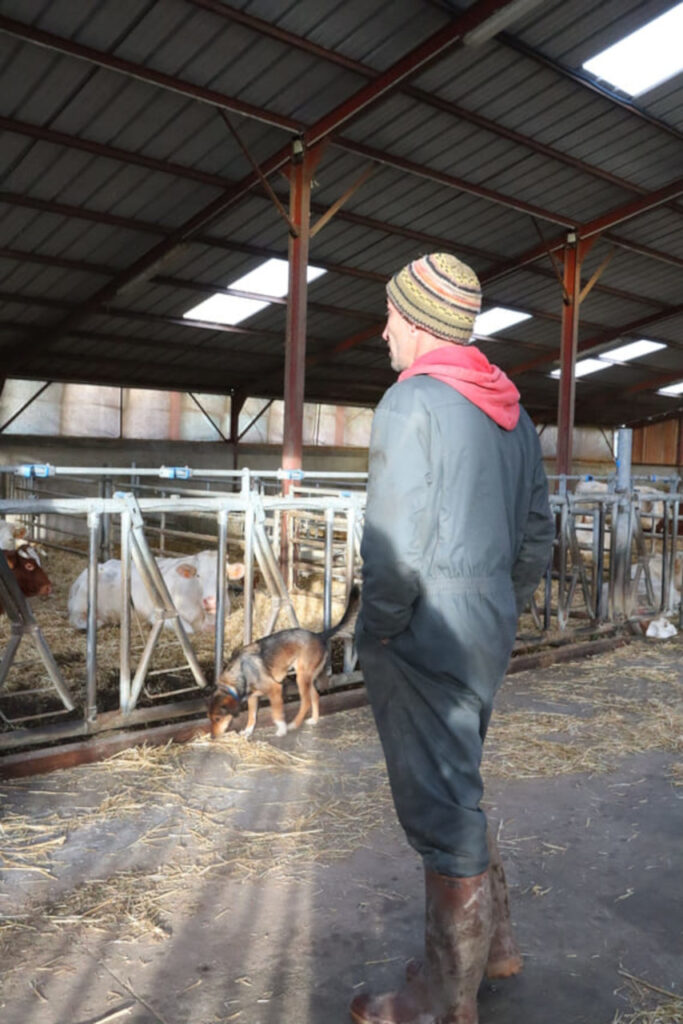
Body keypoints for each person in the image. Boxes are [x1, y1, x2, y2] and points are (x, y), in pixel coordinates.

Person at [351, 252, 555, 1024]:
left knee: (439, 809)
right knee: (460, 781)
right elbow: (537, 533)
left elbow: (391, 545)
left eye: (391, 317)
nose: (383, 332)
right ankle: (490, 949)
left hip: (423, 631)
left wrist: (378, 630)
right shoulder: (510, 410)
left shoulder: (410, 406)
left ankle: (441, 999)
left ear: (419, 322)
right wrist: (498, 603)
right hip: (484, 627)